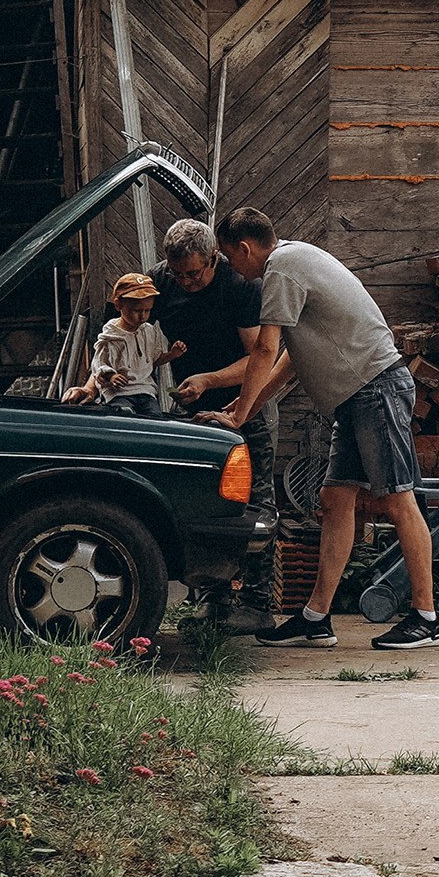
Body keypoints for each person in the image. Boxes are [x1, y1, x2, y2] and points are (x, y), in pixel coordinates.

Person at [212, 207, 439, 654]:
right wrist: (247, 407)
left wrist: (239, 417)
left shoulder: (281, 268)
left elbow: (265, 347)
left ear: (244, 248)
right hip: (356, 397)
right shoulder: (295, 260)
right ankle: (316, 619)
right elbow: (288, 362)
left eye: (229, 257)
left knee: (398, 498)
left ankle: (427, 618)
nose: (234, 270)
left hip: (375, 388)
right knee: (335, 498)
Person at [152, 218, 279, 631]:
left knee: (255, 503)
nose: (185, 281)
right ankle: (211, 600)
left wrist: (209, 379)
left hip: (248, 405)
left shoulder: (239, 286)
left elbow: (259, 357)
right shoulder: (159, 281)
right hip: (194, 412)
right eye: (177, 273)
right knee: (205, 505)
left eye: (193, 273)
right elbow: (121, 331)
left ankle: (258, 604)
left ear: (214, 258)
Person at [61, 273, 181, 415]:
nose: (143, 316)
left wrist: (172, 354)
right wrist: (110, 376)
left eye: (147, 310)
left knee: (154, 416)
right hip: (119, 393)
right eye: (137, 311)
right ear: (118, 305)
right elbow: (98, 364)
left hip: (146, 391)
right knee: (123, 413)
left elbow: (154, 360)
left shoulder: (148, 331)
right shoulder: (110, 336)